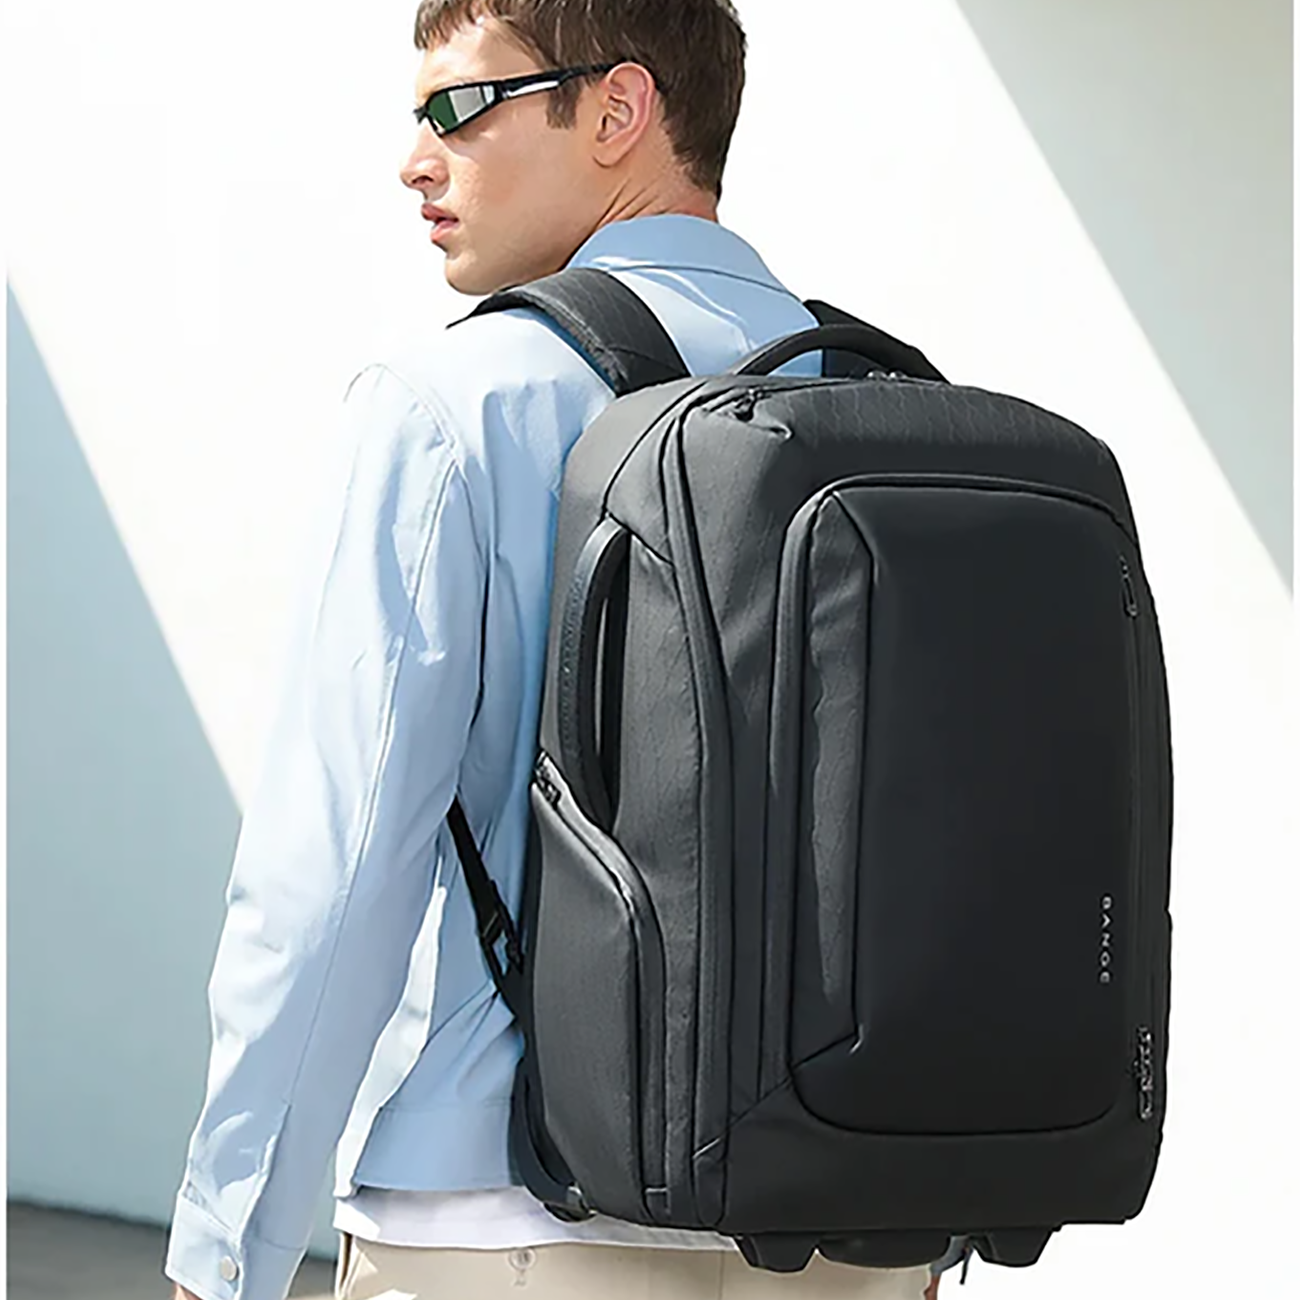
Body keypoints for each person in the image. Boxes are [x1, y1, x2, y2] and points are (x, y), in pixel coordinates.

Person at [165, 3, 941, 1298]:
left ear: (619, 110)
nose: (416, 160)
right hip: (853, 1233)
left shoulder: (454, 405)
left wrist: (223, 1253)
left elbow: (334, 875)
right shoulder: (889, 407)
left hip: (511, 1220)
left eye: (458, 107)